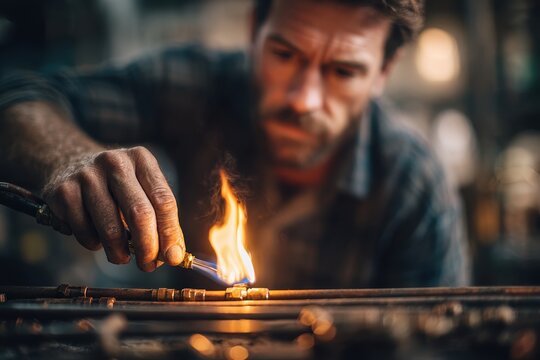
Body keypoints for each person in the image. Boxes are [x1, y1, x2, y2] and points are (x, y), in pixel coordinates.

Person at [0, 0, 469, 288]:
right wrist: (66, 156)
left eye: (343, 71)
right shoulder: (197, 83)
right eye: (285, 55)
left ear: (384, 72)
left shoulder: (414, 186)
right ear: (253, 31)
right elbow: (17, 97)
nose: (304, 100)